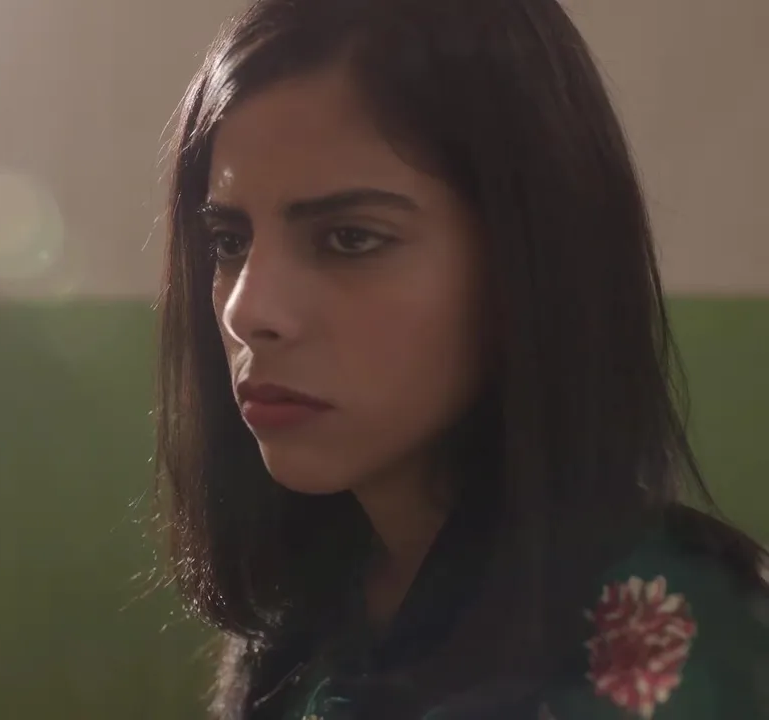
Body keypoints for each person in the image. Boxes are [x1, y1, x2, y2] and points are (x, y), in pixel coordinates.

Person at [152, 0, 769, 718]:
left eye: (350, 238)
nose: (247, 309)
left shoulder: (677, 637)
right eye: (229, 242)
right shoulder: (305, 617)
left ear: (528, 257)